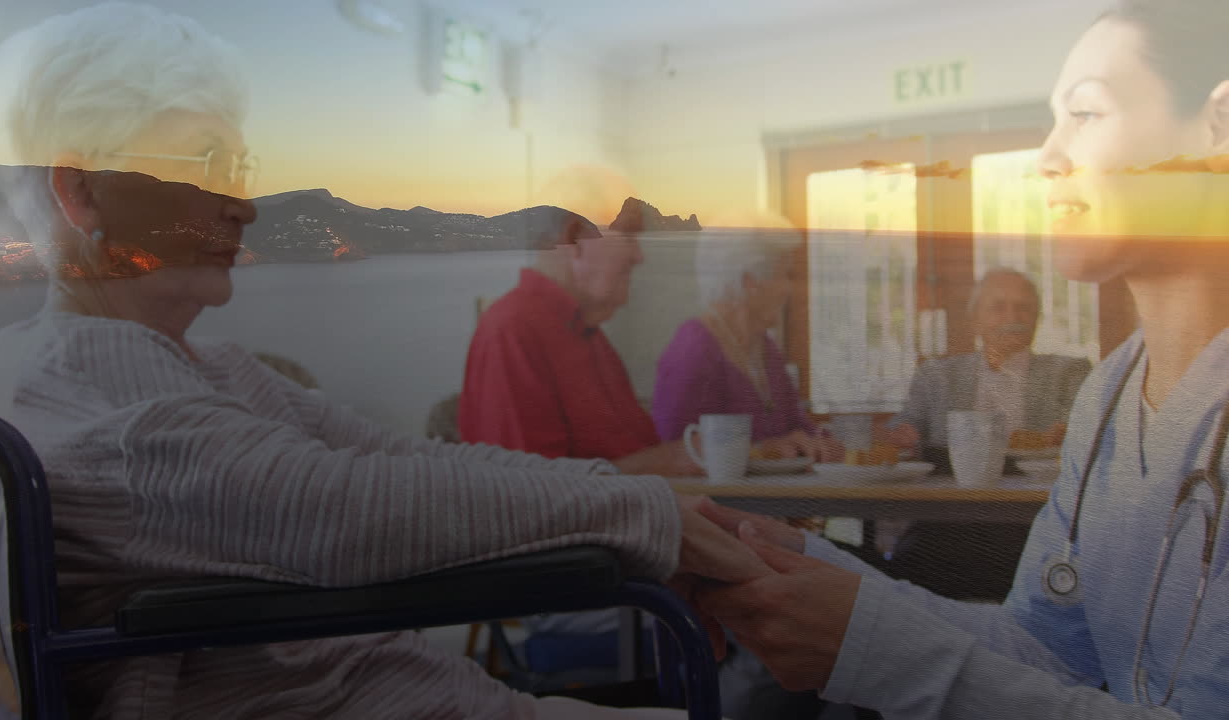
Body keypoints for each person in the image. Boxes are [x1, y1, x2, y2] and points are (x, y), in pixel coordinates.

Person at [0, 5, 766, 718]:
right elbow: (341, 508)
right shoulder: (98, 410)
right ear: (85, 192)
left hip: (414, 686)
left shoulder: (211, 371)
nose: (245, 204)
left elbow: (405, 462)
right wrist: (650, 518)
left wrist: (651, 512)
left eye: (239, 170)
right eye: (204, 162)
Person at [694, 1, 1229, 716]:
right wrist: (799, 562)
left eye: (1086, 114)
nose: (1047, 156)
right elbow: (1045, 648)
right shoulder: (1107, 397)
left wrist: (875, 651)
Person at [882, 269, 1093, 600]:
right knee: (910, 573)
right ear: (974, 320)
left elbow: (1082, 424)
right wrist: (896, 436)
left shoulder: (1069, 373)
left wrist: (1067, 432)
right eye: (998, 307)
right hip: (947, 523)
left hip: (1034, 523)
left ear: (1036, 319)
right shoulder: (937, 374)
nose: (1013, 317)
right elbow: (906, 425)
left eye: (1023, 308)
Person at [458, 202, 699, 476]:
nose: (639, 256)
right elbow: (530, 493)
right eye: (628, 239)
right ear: (574, 243)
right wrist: (661, 462)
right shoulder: (513, 332)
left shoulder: (585, 331)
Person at [652, 228, 843, 462]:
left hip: (773, 495)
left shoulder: (766, 349)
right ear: (750, 282)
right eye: (784, 275)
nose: (789, 289)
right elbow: (677, 454)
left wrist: (834, 440)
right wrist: (762, 451)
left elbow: (800, 427)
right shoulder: (695, 349)